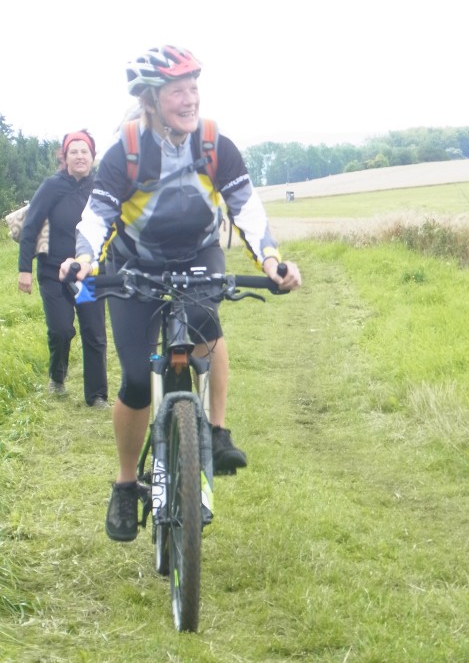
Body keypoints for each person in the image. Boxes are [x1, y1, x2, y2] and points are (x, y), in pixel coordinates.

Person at [59, 45, 302, 543]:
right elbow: (98, 215)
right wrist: (83, 261)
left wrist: (272, 261)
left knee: (207, 326)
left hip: (197, 252)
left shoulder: (213, 144)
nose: (190, 99)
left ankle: (215, 431)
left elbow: (245, 207)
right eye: (177, 91)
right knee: (133, 379)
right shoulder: (126, 151)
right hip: (134, 263)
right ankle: (125, 485)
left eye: (194, 88)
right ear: (150, 100)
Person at [18, 130, 109, 408]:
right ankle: (57, 378)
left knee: (94, 333)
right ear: (65, 157)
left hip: (89, 274)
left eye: (85, 152)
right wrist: (24, 269)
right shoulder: (52, 186)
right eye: (74, 152)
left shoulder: (101, 188)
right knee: (60, 330)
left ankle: (97, 395)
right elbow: (30, 226)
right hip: (53, 272)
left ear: (92, 156)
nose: (80, 156)